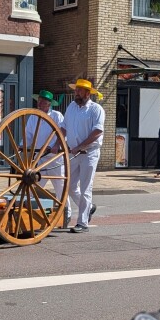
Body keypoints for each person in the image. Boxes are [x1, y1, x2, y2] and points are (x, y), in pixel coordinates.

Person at [60, 79, 105, 233]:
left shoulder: (96, 109)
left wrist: (81, 146)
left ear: (87, 93)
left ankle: (82, 222)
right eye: (76, 89)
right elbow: (64, 127)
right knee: (70, 185)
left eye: (79, 90)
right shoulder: (71, 107)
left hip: (89, 153)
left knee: (86, 188)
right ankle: (89, 207)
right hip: (74, 152)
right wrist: (57, 143)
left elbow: (98, 131)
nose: (76, 92)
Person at [24, 89, 71, 227]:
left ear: (49, 104)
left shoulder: (57, 116)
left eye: (43, 101)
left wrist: (55, 146)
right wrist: (23, 146)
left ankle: (66, 214)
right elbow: (28, 134)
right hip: (40, 158)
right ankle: (28, 213)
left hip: (54, 158)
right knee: (34, 186)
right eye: (39, 100)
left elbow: (62, 133)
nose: (40, 103)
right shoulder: (33, 116)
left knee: (61, 189)